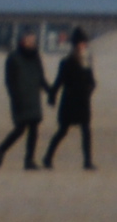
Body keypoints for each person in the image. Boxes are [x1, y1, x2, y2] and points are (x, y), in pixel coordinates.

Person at [40, 27, 98, 170]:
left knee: (86, 131)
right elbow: (59, 81)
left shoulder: (87, 60)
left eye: (84, 42)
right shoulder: (67, 62)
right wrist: (52, 95)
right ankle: (47, 158)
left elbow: (92, 80)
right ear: (75, 44)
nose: (83, 45)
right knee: (63, 131)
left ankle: (87, 162)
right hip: (70, 102)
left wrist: (90, 89)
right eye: (81, 42)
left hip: (83, 102)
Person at [0, 27, 47, 167]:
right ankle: (1, 150)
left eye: (33, 40)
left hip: (33, 98)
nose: (31, 43)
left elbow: (41, 77)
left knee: (34, 129)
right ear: (22, 41)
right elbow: (9, 81)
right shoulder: (14, 57)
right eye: (28, 40)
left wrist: (50, 91)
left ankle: (29, 160)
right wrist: (14, 97)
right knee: (20, 129)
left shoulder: (36, 57)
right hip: (20, 99)